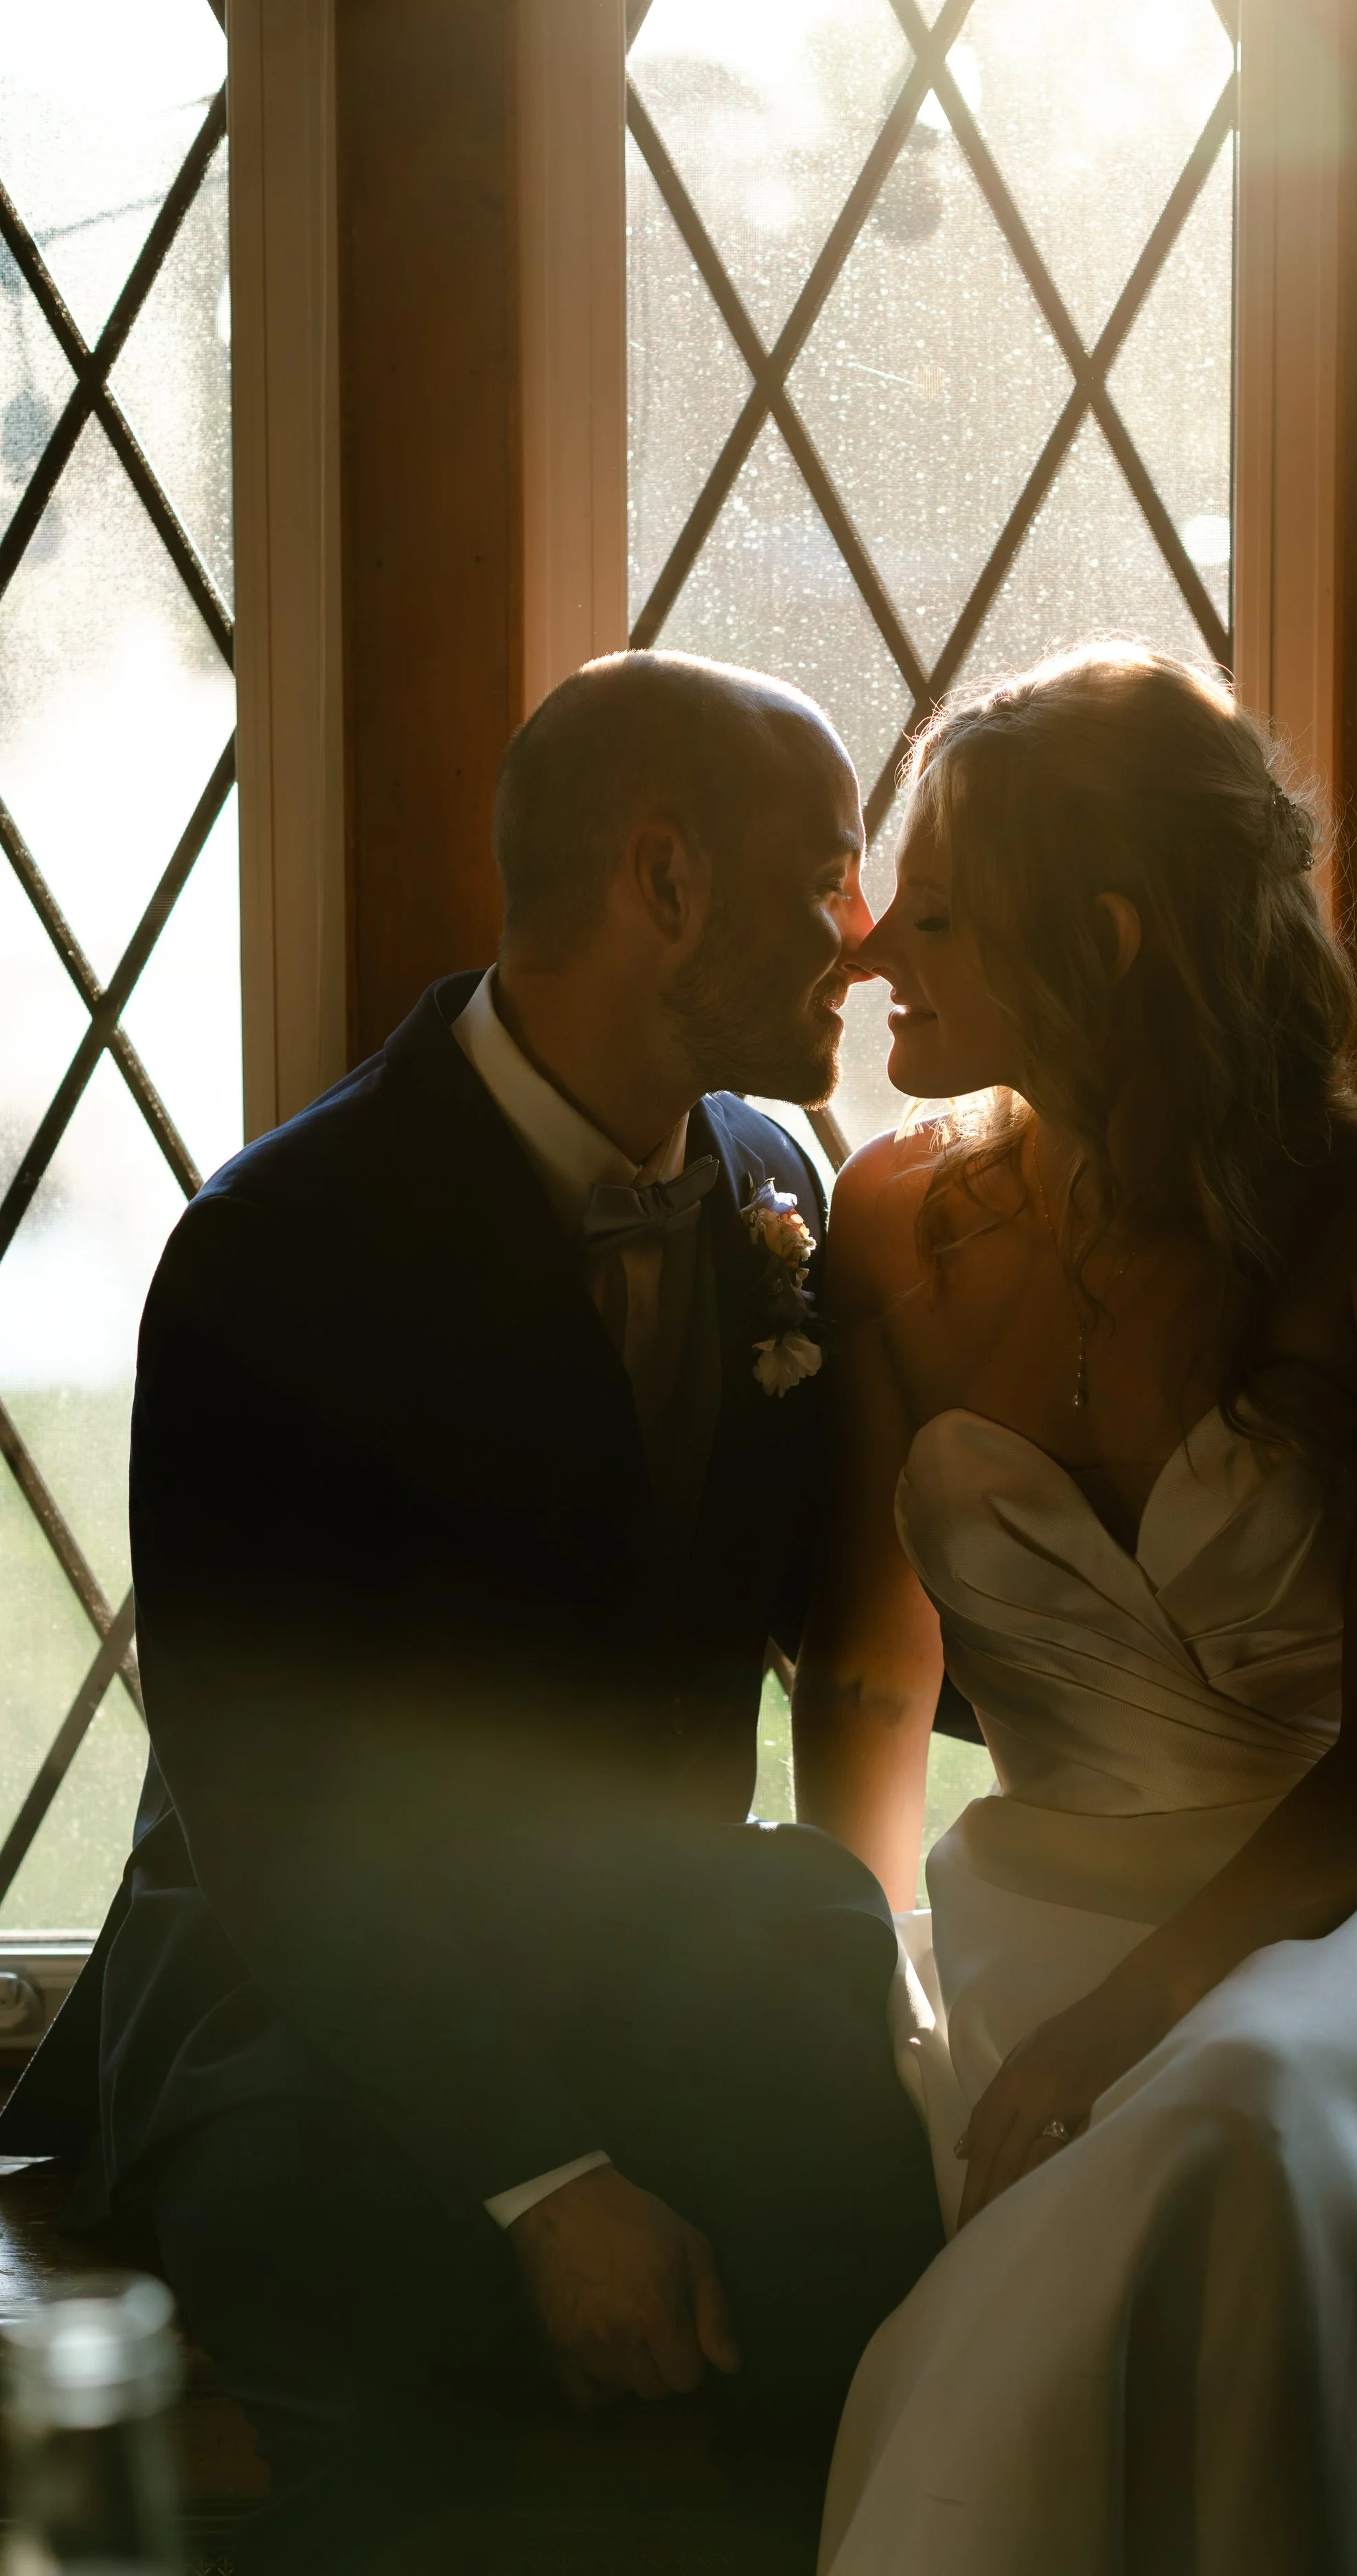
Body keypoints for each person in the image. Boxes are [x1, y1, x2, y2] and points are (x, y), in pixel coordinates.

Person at [0, 651, 943, 2571]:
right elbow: (273, 1806)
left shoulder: (778, 1191)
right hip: (308, 1993)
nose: (851, 945)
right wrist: (547, 2178)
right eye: (821, 875)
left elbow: (857, 1625)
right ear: (661, 880)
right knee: (425, 2387)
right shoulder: (276, 1251)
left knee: (868, 2272)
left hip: (654, 1943)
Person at [793, 642, 1357, 2575]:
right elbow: (878, 1675)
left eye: (941, 912)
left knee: (1242, 2116)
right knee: (1182, 2148)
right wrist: (860, 1973)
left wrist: (1131, 2021)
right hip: (1041, 1917)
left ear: (1108, 939)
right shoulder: (892, 1220)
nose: (877, 950)